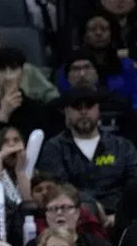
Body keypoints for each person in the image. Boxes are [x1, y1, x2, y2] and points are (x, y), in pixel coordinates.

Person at [37, 87, 137, 218]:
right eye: (77, 107)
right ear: (67, 112)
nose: (84, 112)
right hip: (76, 218)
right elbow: (58, 186)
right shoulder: (54, 147)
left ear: (98, 109)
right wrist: (93, 206)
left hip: (122, 216)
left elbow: (134, 182)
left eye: (89, 106)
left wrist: (120, 215)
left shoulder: (122, 146)